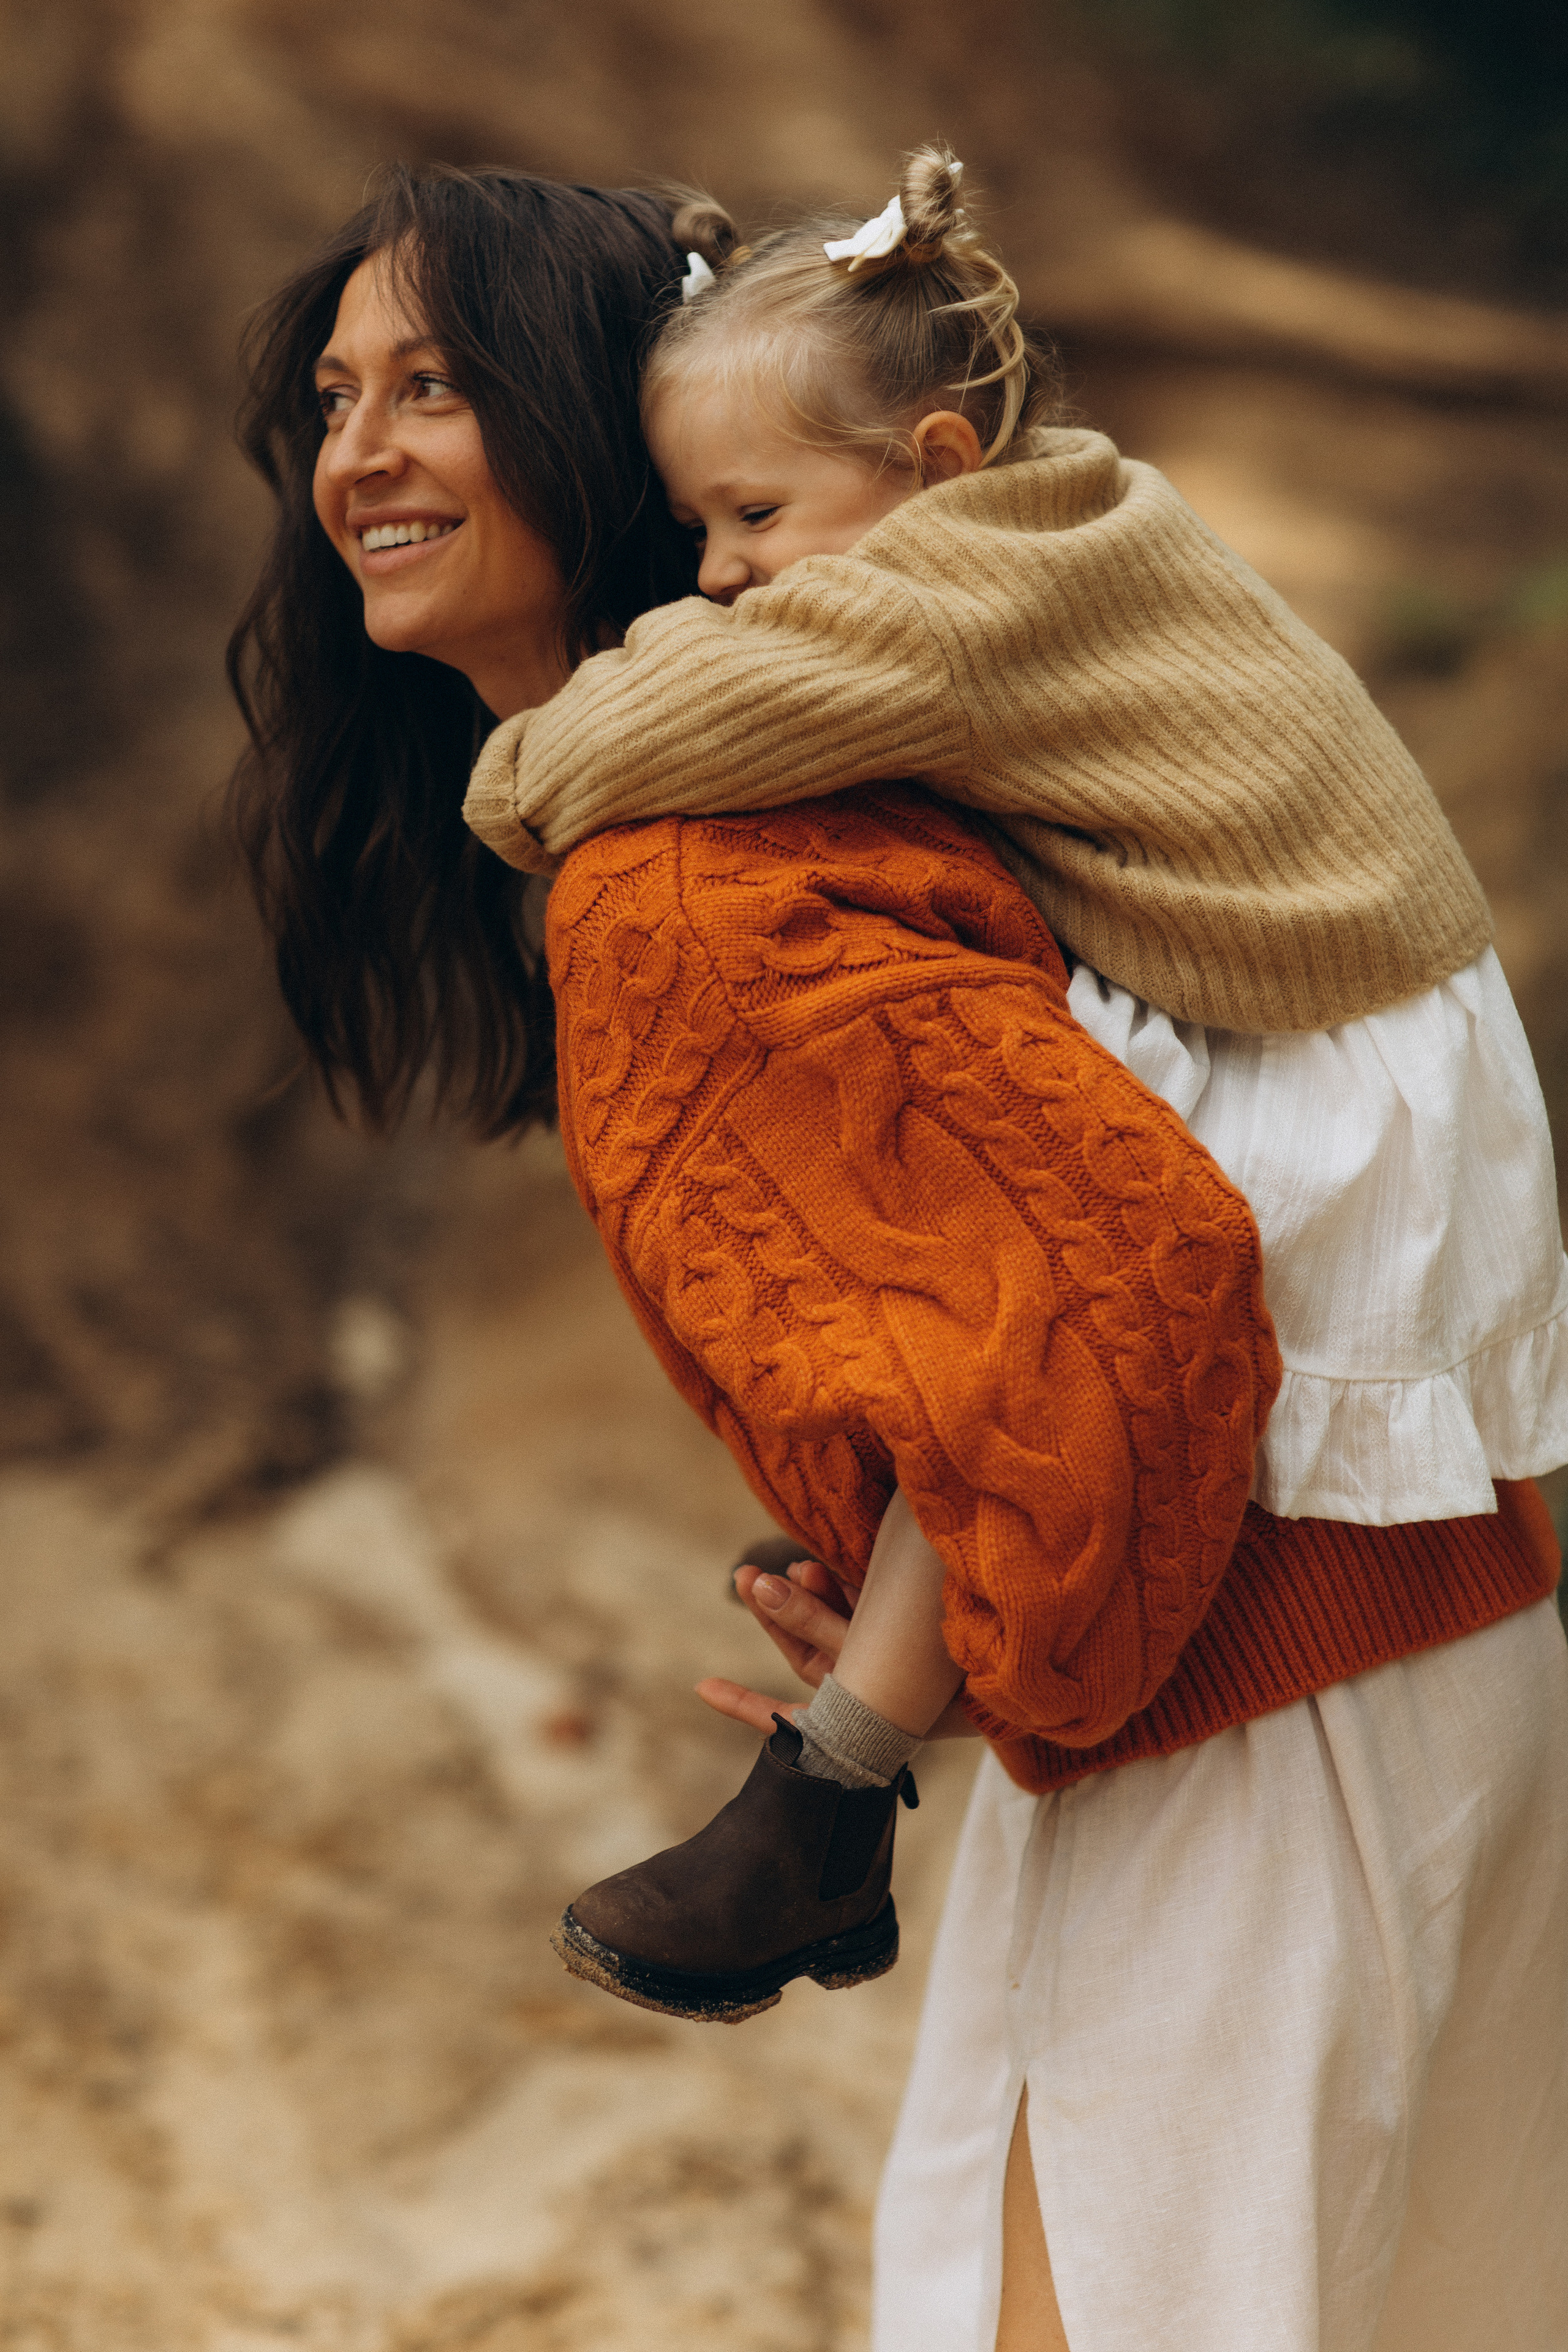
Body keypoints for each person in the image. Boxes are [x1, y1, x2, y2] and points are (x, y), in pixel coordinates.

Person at [229, 160, 1568, 2351]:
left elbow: (1132, 1274)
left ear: (590, 430)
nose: (353, 451)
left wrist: (936, 1662)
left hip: (1257, 1730)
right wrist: (930, 1561)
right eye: (333, 395)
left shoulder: (682, 861)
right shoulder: (811, 760)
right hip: (1391, 1643)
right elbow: (1032, 1281)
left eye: (434, 386)